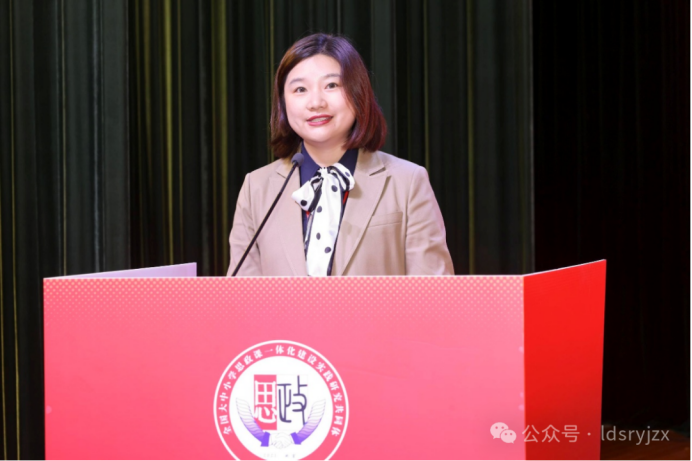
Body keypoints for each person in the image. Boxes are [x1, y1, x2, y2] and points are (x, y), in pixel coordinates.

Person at [228, 33, 453, 276]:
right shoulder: (256, 188)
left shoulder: (407, 182)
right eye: (300, 89)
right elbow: (240, 293)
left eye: (331, 85)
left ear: (358, 93)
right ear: (283, 103)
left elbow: (434, 292)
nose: (316, 102)